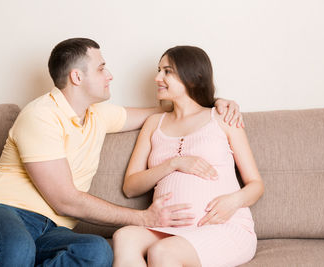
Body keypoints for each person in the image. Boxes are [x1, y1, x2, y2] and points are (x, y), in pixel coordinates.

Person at [0, 38, 244, 267]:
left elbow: (170, 109)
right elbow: (65, 201)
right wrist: (142, 218)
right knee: (18, 247)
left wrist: (215, 101)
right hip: (1, 212)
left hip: (50, 230)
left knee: (96, 251)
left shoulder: (98, 115)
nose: (109, 75)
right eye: (101, 68)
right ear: (76, 76)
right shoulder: (40, 115)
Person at [113, 45, 264, 267]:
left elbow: (256, 184)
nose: (157, 78)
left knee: (163, 252)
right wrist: (174, 164)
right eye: (159, 70)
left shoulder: (222, 118)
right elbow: (130, 187)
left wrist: (234, 201)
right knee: (125, 236)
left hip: (222, 227)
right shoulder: (154, 123)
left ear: (192, 78)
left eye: (167, 71)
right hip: (170, 230)